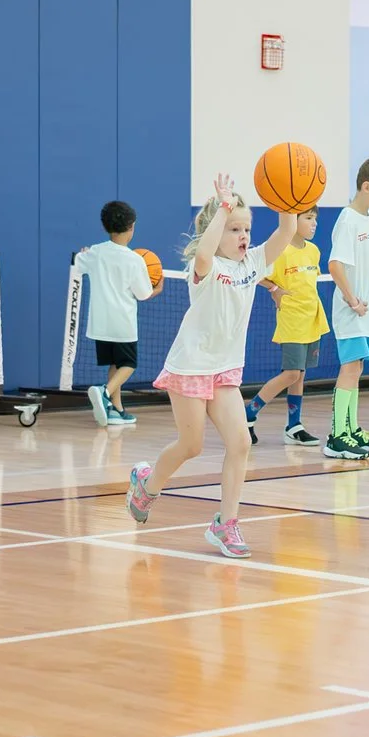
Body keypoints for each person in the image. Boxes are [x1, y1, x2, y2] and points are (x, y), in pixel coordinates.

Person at [126, 173, 299, 559]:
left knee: (240, 442)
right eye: (234, 228)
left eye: (247, 228)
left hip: (224, 370)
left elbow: (285, 233)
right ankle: (147, 484)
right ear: (216, 230)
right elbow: (203, 253)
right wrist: (222, 207)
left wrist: (289, 203)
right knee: (192, 445)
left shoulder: (253, 263)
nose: (243, 235)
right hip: (190, 366)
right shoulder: (204, 270)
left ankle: (225, 523)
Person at [325, 157, 369, 460]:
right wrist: (352, 299)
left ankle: (351, 429)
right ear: (366, 186)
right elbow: (335, 264)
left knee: (358, 368)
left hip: (368, 311)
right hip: (351, 310)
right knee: (350, 367)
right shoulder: (348, 219)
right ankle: (336, 435)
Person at [247, 205, 328, 445]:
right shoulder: (280, 250)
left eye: (315, 219)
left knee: (300, 375)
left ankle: (294, 426)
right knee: (291, 373)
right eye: (309, 218)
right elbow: (255, 271)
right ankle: (248, 413)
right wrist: (274, 289)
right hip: (291, 319)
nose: (314, 223)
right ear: (293, 220)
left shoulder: (313, 251)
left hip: (312, 319)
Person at [78, 199, 154, 427]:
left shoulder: (95, 253)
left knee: (115, 364)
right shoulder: (135, 260)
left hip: (100, 324)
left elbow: (78, 263)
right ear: (131, 227)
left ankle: (116, 409)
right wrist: (156, 288)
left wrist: (84, 253)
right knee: (129, 364)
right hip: (123, 325)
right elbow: (143, 294)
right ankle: (104, 392)